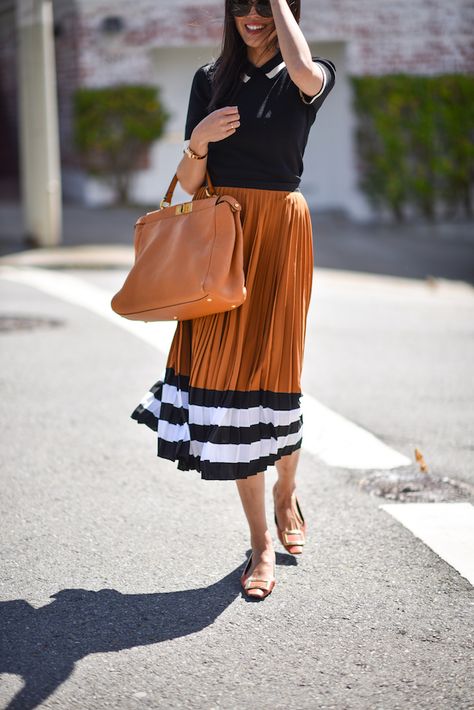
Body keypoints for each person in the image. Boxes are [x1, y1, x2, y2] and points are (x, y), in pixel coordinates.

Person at [131, 0, 336, 600]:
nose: (254, 15)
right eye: (242, 4)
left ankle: (284, 491)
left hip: (281, 235)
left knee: (277, 375)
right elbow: (189, 185)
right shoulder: (209, 79)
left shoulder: (309, 73)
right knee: (230, 384)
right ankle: (260, 543)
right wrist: (196, 140)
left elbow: (301, 66)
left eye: (266, 4)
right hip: (222, 236)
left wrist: (278, 6)